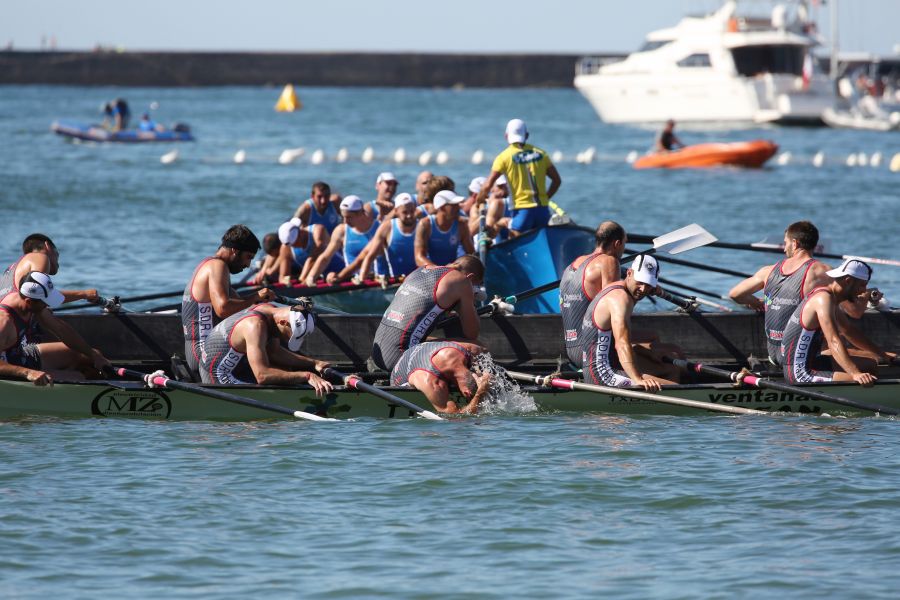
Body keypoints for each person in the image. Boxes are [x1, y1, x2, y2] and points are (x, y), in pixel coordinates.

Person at [728, 221, 831, 366]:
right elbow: (852, 305)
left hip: (774, 356)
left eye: (785, 243)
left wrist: (755, 302)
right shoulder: (822, 271)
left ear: (794, 244)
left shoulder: (768, 271)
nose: (784, 249)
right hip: (798, 358)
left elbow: (734, 294)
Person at [781, 259, 896, 385]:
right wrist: (855, 373)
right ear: (848, 281)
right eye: (862, 285)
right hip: (800, 373)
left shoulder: (830, 298)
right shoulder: (823, 300)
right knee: (866, 379)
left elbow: (849, 331)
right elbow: (833, 341)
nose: (864, 291)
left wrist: (883, 355)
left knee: (870, 365)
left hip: (814, 360)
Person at [182, 225, 274, 378]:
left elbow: (241, 306)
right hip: (204, 352)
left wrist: (263, 303)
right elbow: (223, 309)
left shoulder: (208, 264)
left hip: (197, 352)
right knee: (271, 353)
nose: (248, 265)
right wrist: (255, 297)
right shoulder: (218, 266)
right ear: (235, 251)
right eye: (248, 257)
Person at [580, 255, 681, 391]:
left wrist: (656, 290)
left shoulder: (620, 287)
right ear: (629, 273)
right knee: (676, 389)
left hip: (607, 363)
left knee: (671, 369)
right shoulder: (620, 300)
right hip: (601, 375)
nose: (643, 289)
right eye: (640, 282)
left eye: (648, 284)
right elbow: (622, 344)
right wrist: (638, 379)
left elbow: (643, 287)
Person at [372, 255, 484, 372]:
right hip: (400, 358)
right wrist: (467, 303)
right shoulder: (462, 281)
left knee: (429, 337)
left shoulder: (421, 269)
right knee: (477, 348)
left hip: (378, 353)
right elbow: (472, 333)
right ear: (470, 278)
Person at [0, 271, 111, 386]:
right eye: (45, 303)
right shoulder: (4, 322)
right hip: (8, 369)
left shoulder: (30, 303)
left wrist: (94, 355)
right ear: (29, 301)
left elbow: (61, 330)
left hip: (20, 354)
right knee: (79, 378)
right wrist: (28, 373)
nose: (48, 306)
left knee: (88, 356)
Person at [199, 302, 332, 392]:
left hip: (236, 366)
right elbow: (262, 376)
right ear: (283, 322)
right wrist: (307, 376)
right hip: (218, 377)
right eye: (289, 335)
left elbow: (274, 353)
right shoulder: (255, 326)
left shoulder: (269, 309)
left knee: (288, 371)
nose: (286, 340)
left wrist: (314, 363)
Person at [476, 118, 561, 237]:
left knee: (513, 240)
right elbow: (557, 181)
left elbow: (488, 185)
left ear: (506, 136)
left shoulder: (503, 157)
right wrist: (546, 198)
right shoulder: (541, 154)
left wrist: (479, 199)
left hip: (522, 211)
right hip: (543, 210)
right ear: (526, 135)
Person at [560, 221, 628, 367]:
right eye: (624, 244)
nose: (624, 248)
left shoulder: (573, 264)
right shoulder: (610, 262)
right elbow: (615, 309)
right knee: (660, 346)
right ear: (617, 243)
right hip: (593, 350)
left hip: (571, 350)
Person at [391, 341, 491, 414]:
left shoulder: (469, 350)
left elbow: (485, 352)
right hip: (399, 377)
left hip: (422, 351)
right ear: (467, 393)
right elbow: (454, 416)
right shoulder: (433, 383)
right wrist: (479, 393)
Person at [304, 195, 384, 286]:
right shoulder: (341, 231)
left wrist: (340, 276)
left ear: (361, 213)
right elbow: (325, 257)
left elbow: (361, 260)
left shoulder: (380, 228)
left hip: (379, 278)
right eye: (343, 217)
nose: (345, 221)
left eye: (349, 217)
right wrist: (311, 277)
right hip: (351, 279)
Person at [0, 233, 99, 304]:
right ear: (48, 247)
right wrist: (85, 294)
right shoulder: (40, 257)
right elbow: (42, 297)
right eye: (57, 255)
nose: (58, 264)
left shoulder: (11, 269)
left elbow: (41, 297)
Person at [358, 193, 419, 281]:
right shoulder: (387, 227)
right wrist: (361, 280)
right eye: (405, 212)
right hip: (394, 281)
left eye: (412, 211)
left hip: (418, 281)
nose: (409, 215)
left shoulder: (422, 225)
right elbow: (370, 256)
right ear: (396, 211)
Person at [414, 190, 475, 267]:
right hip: (430, 271)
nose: (458, 207)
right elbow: (419, 257)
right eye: (454, 205)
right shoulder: (425, 224)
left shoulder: (461, 225)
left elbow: (471, 253)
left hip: (451, 269)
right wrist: (438, 269)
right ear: (442, 207)